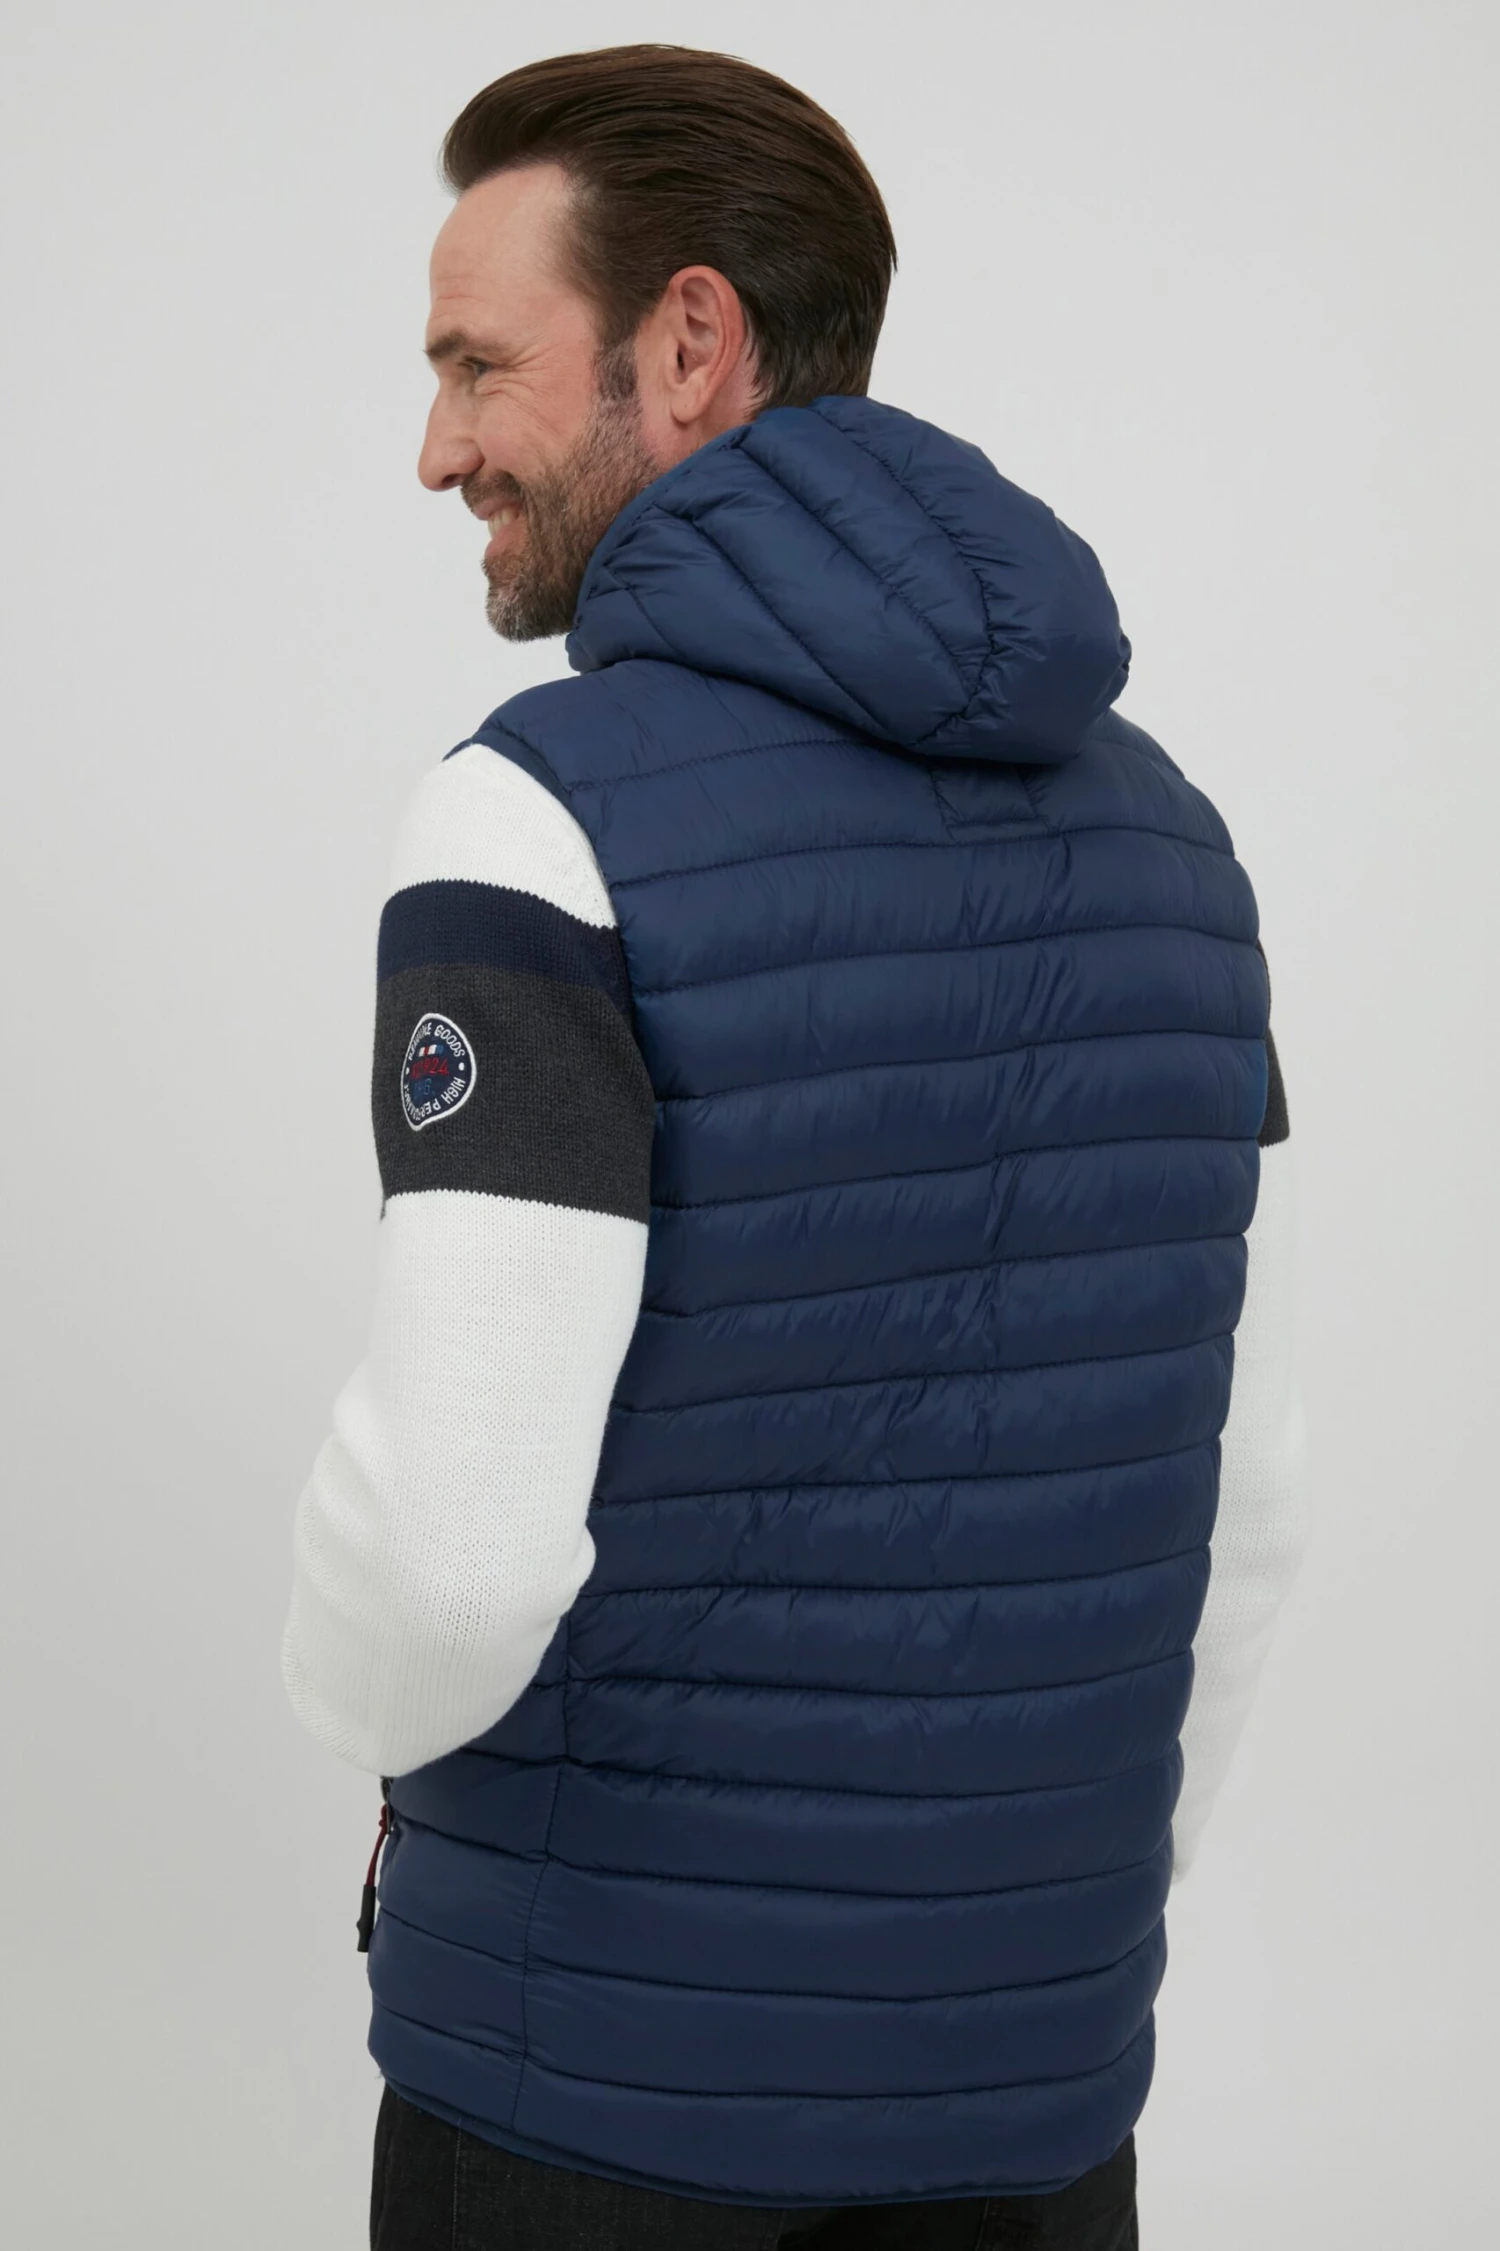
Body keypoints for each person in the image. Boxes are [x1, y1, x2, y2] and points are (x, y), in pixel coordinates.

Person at [280, 43, 1308, 2251]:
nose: (436, 446)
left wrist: (350, 1721)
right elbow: (1253, 1499)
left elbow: (452, 1562)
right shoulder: (1185, 856)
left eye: (476, 365)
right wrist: (1024, 1927)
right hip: (1034, 2123)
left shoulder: (536, 817)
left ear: (688, 341)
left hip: (589, 2122)